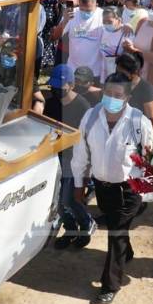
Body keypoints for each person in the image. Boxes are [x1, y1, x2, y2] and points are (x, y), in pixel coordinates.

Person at [70, 73, 153, 304]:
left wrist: (146, 191)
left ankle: (110, 285)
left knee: (115, 233)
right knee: (117, 224)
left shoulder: (138, 122)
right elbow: (81, 153)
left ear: (127, 97)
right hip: (102, 187)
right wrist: (80, 184)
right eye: (108, 93)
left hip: (129, 189)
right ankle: (126, 253)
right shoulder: (91, 116)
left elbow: (149, 159)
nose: (111, 99)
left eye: (118, 95)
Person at [44, 65, 96, 249]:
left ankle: (86, 224)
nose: (57, 91)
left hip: (76, 161)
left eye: (61, 87)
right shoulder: (50, 103)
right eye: (54, 87)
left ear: (72, 85)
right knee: (57, 201)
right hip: (55, 158)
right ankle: (70, 228)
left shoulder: (83, 106)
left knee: (69, 199)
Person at [52, 0, 103, 80]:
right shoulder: (71, 13)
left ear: (96, 5)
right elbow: (54, 37)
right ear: (79, 4)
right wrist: (64, 21)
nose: (85, 13)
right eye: (82, 10)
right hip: (73, 70)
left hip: (95, 72)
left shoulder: (102, 16)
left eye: (88, 11)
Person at [115, 52, 153, 132]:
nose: (118, 75)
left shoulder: (147, 91)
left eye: (122, 73)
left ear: (135, 72)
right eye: (117, 71)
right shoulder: (116, 82)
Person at [98, 6, 131, 82]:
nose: (106, 24)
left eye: (109, 22)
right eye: (104, 21)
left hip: (117, 77)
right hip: (103, 74)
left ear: (119, 20)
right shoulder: (102, 30)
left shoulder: (127, 33)